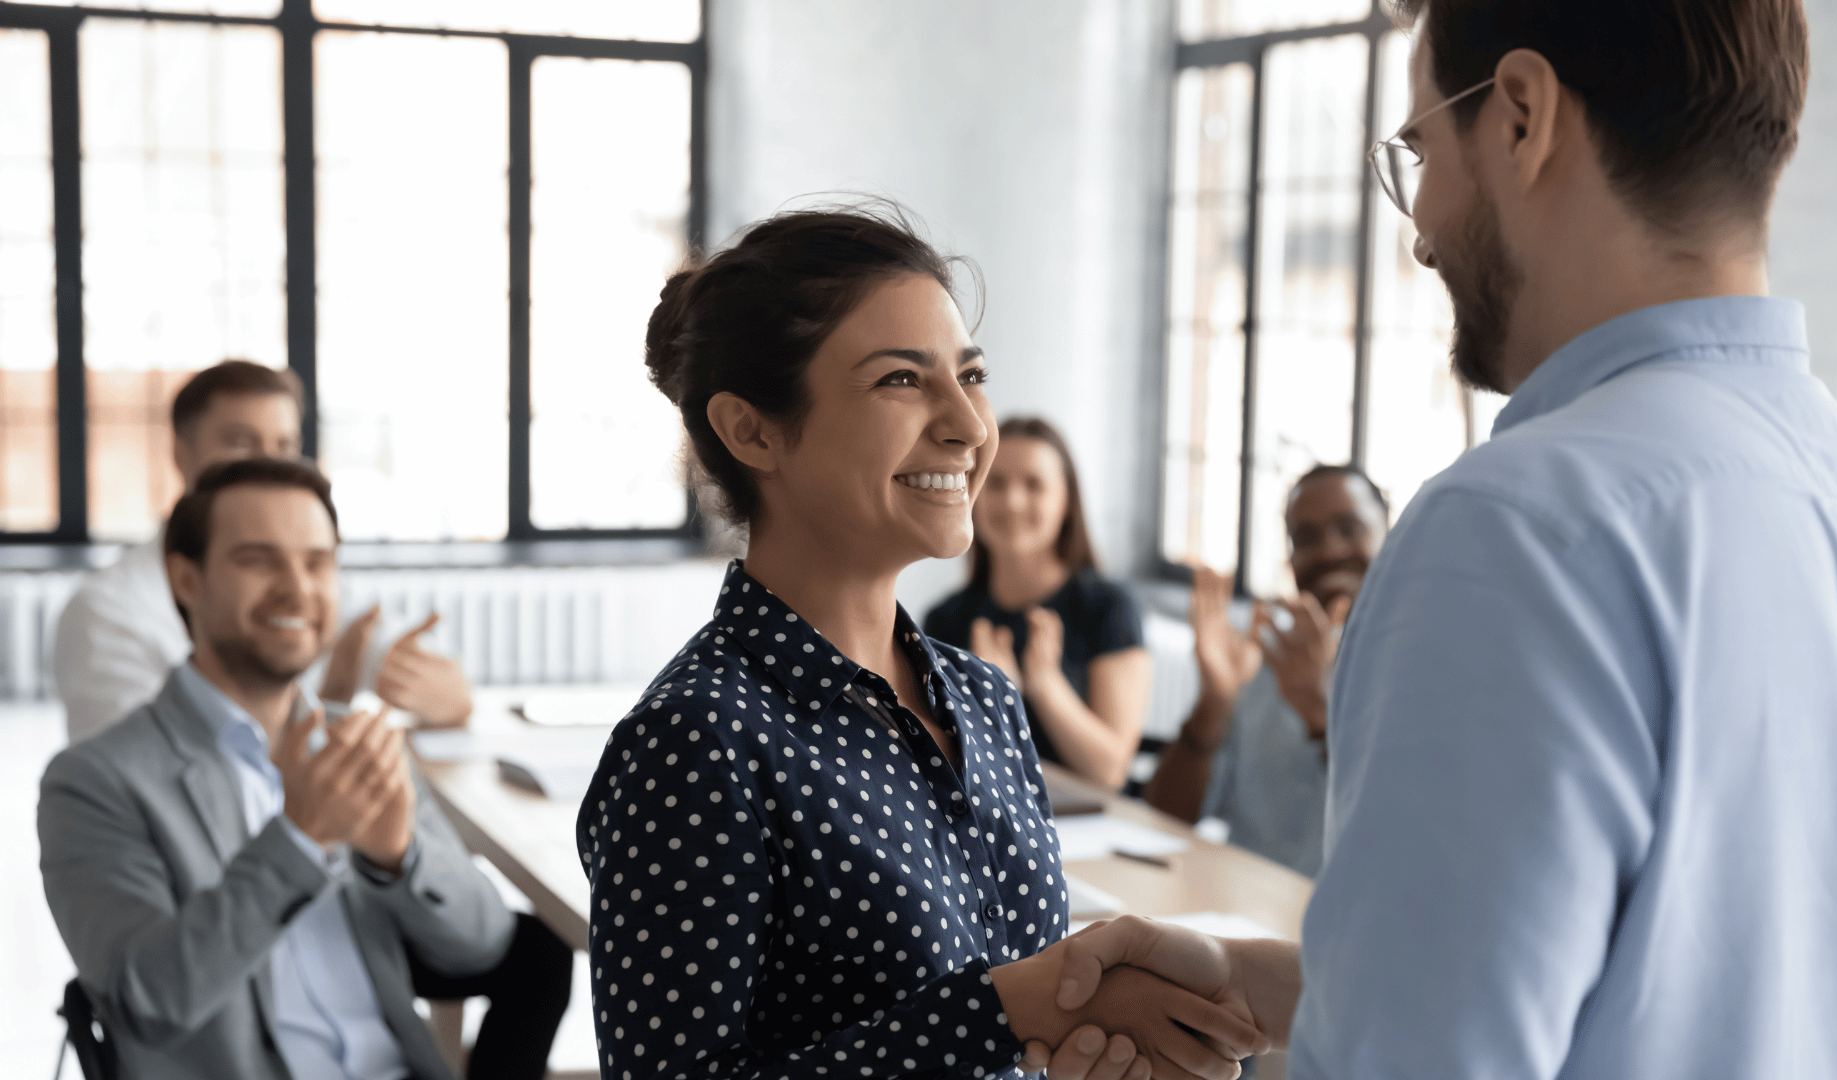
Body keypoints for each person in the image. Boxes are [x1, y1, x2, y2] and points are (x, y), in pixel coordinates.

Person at [1027, 1, 1837, 1078]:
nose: (1420, 230)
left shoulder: (1514, 528)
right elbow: (1716, 993)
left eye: (1417, 150)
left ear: (1521, 117)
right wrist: (1278, 988)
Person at [575, 207, 1260, 1080]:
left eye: (970, 376)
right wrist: (1006, 1012)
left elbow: (1020, 1033)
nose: (970, 428)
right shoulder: (696, 742)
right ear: (753, 431)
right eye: (902, 381)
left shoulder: (981, 696)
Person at [39, 458, 573, 1080]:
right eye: (258, 560)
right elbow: (149, 1005)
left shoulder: (357, 741)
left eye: (318, 562)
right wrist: (297, 840)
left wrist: (397, 857)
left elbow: (485, 946)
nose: (297, 588)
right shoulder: (93, 782)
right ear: (186, 580)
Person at [53, 359, 472, 744]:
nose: (267, 466)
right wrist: (326, 714)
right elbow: (145, 788)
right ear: (182, 454)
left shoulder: (308, 584)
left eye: (284, 446)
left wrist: (441, 689)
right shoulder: (108, 612)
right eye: (240, 443)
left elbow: (420, 668)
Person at [1144, 464, 1388, 877]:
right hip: (1245, 915)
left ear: (1390, 537)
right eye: (1306, 538)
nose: (1329, 551)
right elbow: (1166, 815)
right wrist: (1214, 703)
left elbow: (1401, 828)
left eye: (1349, 528)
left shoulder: (1423, 665)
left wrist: (1317, 712)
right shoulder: (1262, 657)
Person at [924, 416, 1152, 790]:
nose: (1013, 502)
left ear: (1067, 501)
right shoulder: (944, 621)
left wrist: (1044, 684)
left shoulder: (1110, 608)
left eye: (1034, 485)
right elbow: (947, 767)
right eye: (995, 483)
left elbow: (1109, 772)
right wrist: (998, 700)